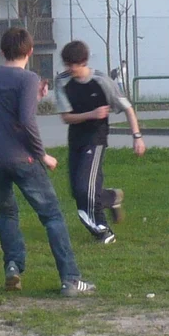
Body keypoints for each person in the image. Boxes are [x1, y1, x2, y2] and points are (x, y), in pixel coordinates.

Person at [0, 26, 94, 295]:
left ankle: (13, 267)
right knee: (52, 215)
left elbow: (4, 113)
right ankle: (71, 279)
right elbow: (26, 121)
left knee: (7, 213)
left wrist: (35, 98)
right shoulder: (28, 78)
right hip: (20, 158)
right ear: (30, 51)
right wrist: (42, 155)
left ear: (2, 51)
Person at [56, 40, 145, 243]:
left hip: (95, 139)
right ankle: (112, 198)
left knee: (85, 189)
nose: (69, 69)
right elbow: (66, 117)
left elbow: (128, 108)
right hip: (76, 138)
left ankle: (104, 231)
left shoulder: (102, 81)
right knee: (77, 191)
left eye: (73, 65)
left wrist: (137, 137)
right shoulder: (62, 80)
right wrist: (92, 113)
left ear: (84, 62)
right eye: (67, 65)